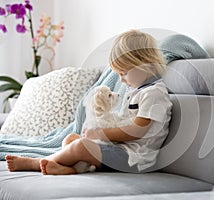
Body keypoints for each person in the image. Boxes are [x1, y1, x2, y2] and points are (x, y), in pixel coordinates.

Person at [5, 29, 173, 175]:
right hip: (121, 149)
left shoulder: (154, 94)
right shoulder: (137, 90)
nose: (121, 80)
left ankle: (36, 162)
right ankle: (69, 169)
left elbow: (137, 130)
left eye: (124, 73)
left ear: (143, 64)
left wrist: (101, 134)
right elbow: (123, 121)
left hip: (135, 159)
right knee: (71, 139)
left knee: (80, 147)